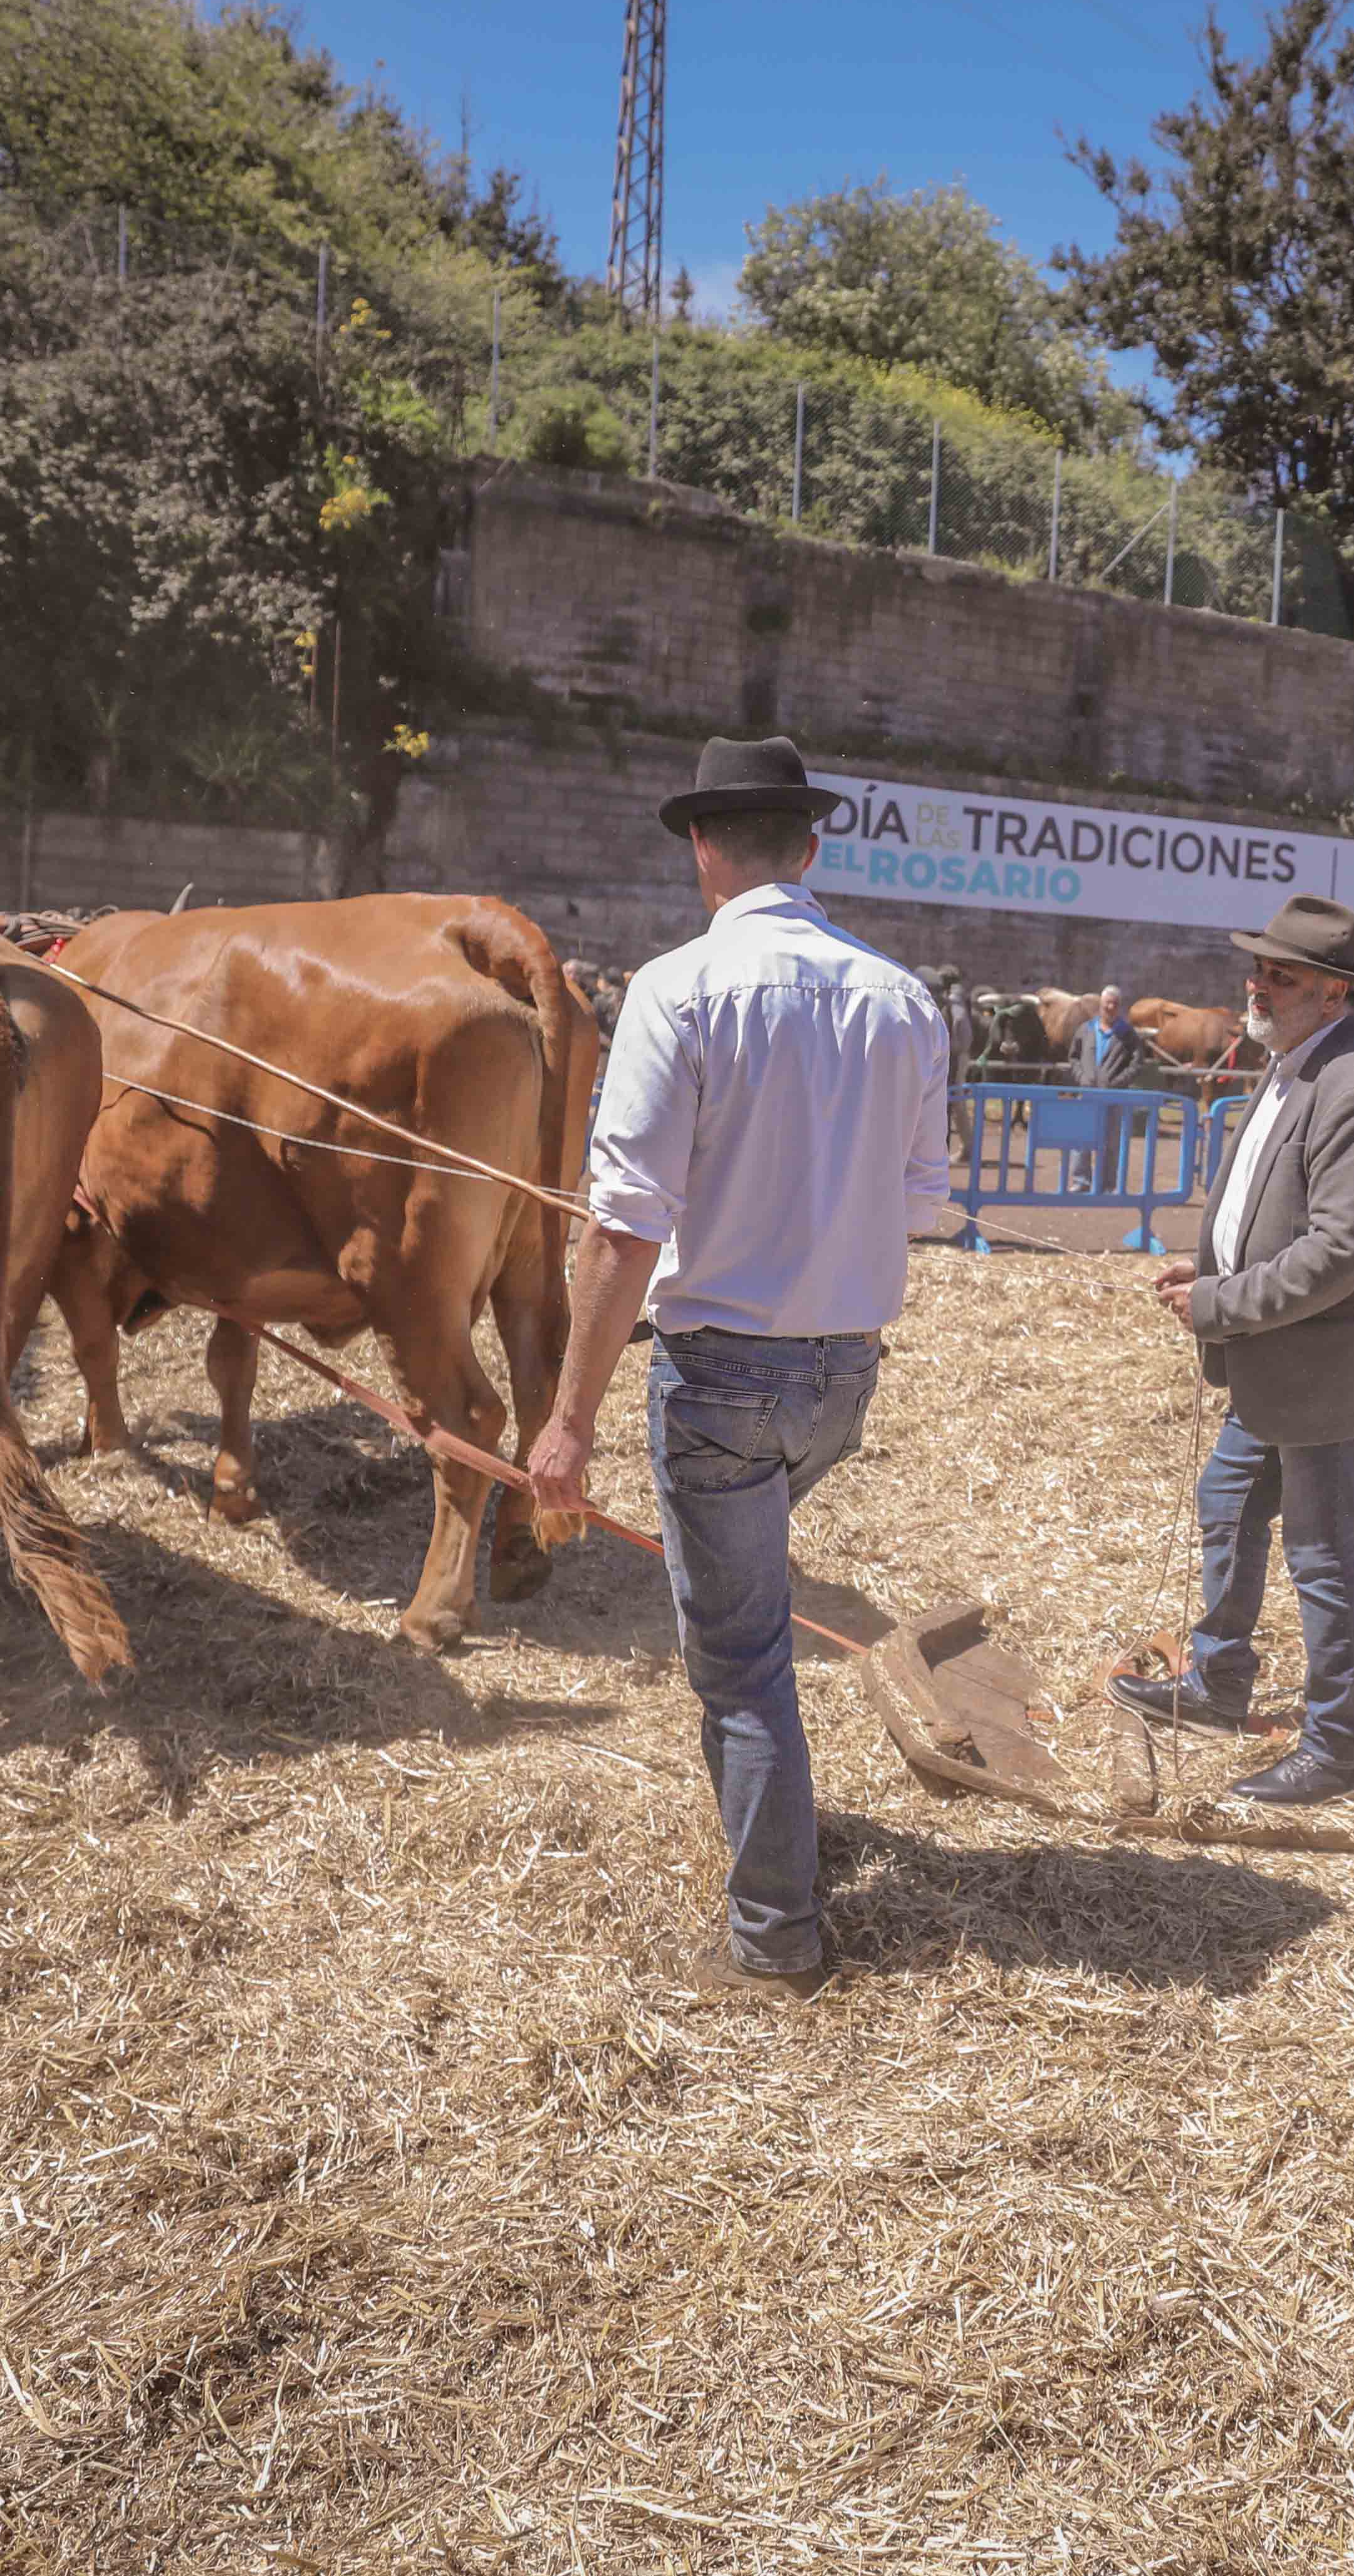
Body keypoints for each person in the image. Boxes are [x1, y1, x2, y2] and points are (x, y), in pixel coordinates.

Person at [527, 734, 953, 2005]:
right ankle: (775, 1837)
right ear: (812, 846)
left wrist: (565, 1419)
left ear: (705, 849)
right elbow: (922, 1202)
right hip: (843, 1379)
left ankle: (776, 1930)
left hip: (720, 1371)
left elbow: (622, 1224)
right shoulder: (904, 998)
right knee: (753, 1609)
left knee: (746, 1661)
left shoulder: (676, 988)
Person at [1113, 896, 1354, 1806]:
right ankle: (1217, 1682)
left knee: (1324, 1555)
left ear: (1335, 991)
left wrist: (1219, 1299)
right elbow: (1274, 1200)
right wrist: (1213, 1261)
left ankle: (1335, 1745)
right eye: (1255, 967)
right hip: (1279, 1358)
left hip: (1332, 1368)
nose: (1255, 984)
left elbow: (1338, 1252)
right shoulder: (1300, 1060)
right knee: (1227, 1498)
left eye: (1279, 974)